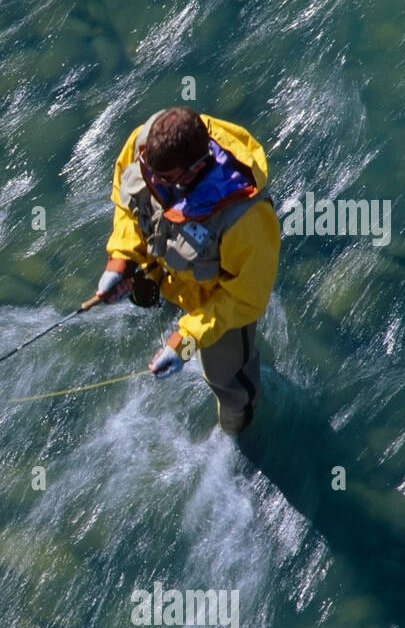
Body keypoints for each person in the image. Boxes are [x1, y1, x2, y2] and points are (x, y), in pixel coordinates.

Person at [93, 106, 281, 435]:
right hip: (169, 267)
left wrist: (186, 342)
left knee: (227, 381)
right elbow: (126, 202)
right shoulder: (143, 144)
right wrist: (121, 259)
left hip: (218, 305)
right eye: (148, 170)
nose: (152, 181)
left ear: (196, 168)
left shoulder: (246, 220)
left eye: (163, 179)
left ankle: (240, 432)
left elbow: (246, 300)